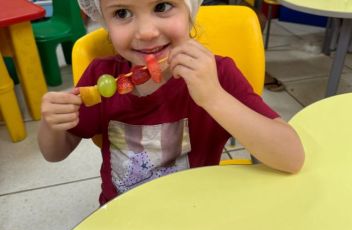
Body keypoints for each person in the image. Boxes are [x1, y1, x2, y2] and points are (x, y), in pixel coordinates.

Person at [38, 0, 305, 205]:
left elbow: (292, 157)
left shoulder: (218, 75)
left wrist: (214, 97)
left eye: (162, 6)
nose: (146, 32)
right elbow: (55, 153)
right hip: (123, 211)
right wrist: (52, 124)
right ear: (105, 22)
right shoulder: (100, 77)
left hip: (195, 208)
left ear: (189, 11)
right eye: (122, 13)